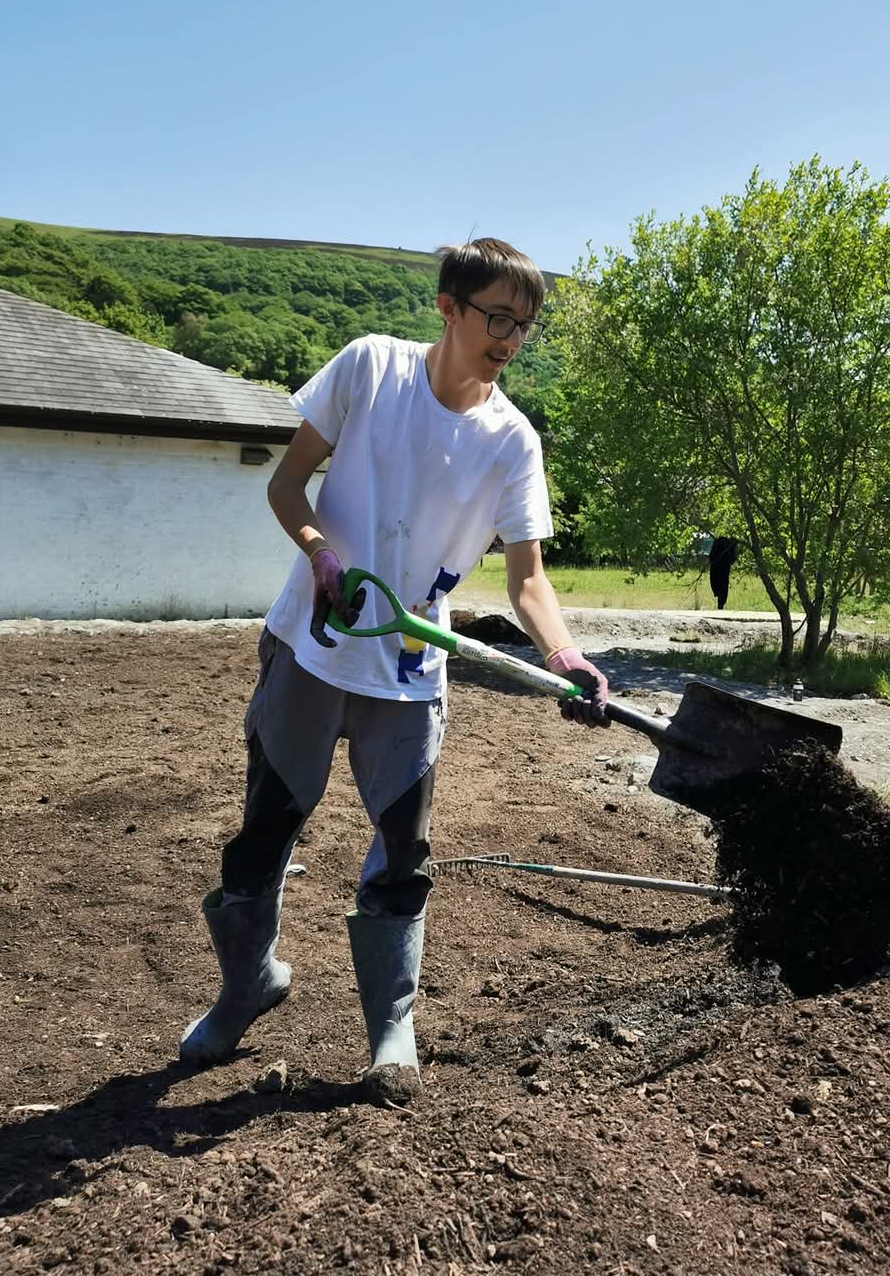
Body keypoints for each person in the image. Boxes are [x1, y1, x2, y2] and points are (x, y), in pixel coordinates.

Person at [179, 238, 610, 1104]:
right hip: (309, 645)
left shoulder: (511, 442)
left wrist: (562, 653)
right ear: (448, 308)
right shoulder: (370, 369)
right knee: (263, 835)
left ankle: (390, 1029)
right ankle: (246, 985)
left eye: (524, 325)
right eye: (497, 317)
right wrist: (321, 555)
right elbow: (288, 486)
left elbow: (528, 579)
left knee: (403, 851)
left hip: (408, 673)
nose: (510, 338)